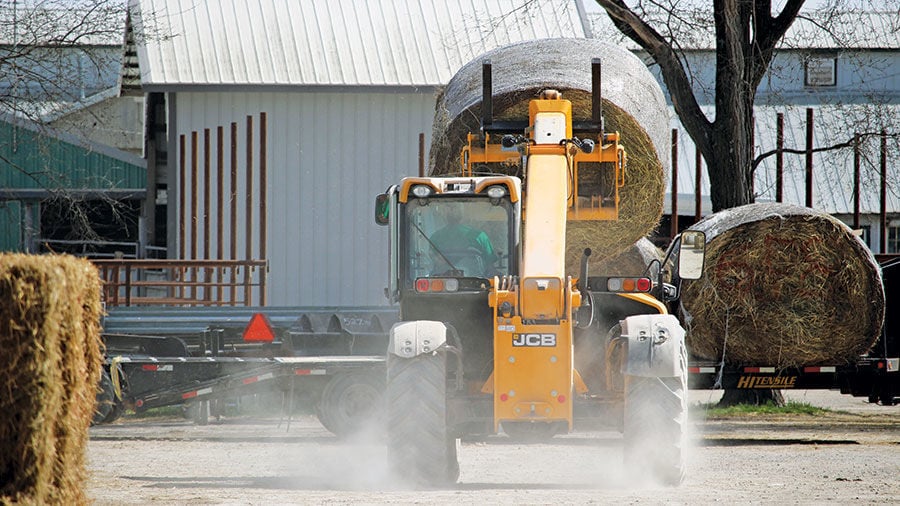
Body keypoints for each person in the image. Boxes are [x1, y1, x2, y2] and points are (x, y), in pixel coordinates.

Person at [428, 204, 497, 277]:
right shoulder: (480, 236)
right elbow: (490, 266)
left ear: (443, 215)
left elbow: (434, 262)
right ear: (464, 215)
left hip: (441, 284)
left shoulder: (435, 237)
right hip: (478, 285)